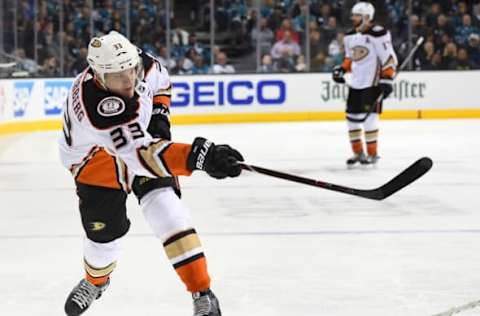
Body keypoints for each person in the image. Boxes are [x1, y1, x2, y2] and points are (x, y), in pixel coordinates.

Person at [59, 31, 243, 316]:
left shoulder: (141, 64)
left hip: (141, 145)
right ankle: (96, 281)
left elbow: (161, 80)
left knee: (170, 214)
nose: (129, 80)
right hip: (95, 163)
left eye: (131, 71)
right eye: (118, 76)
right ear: (98, 76)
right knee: (102, 242)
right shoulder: (98, 108)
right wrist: (200, 156)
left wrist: (159, 117)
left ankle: (202, 293)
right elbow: (143, 157)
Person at [332, 2, 398, 166]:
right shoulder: (349, 36)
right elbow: (350, 58)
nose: (353, 18)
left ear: (366, 17)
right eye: (353, 15)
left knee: (370, 120)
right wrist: (342, 69)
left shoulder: (379, 34)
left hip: (373, 84)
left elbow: (388, 58)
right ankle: (358, 153)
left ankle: (372, 154)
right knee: (352, 119)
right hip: (355, 84)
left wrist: (387, 78)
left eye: (356, 15)